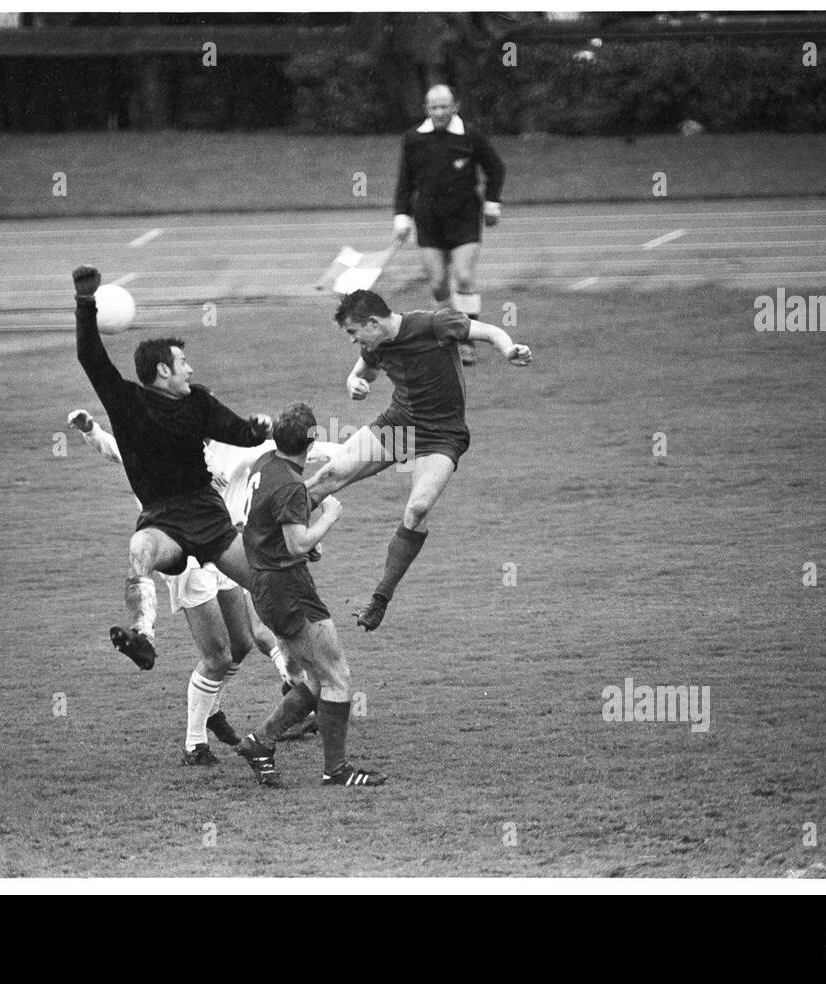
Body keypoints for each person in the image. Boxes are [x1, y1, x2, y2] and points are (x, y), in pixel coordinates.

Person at [68, 409, 336, 763]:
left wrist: (377, 448)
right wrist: (92, 430)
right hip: (185, 559)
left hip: (220, 547)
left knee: (241, 643)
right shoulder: (157, 455)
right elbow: (115, 449)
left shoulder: (233, 449)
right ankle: (195, 744)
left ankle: (218, 707)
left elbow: (298, 448)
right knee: (217, 654)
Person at [72, 265, 272, 675]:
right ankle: (143, 635)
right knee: (139, 550)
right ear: (163, 370)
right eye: (184, 363)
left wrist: (256, 430)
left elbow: (235, 431)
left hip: (207, 514)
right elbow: (90, 356)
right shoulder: (126, 402)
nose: (191, 370)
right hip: (163, 520)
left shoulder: (197, 402)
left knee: (268, 584)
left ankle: (304, 658)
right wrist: (85, 303)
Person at [305, 289, 532, 632]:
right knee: (329, 475)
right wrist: (354, 381)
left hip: (442, 434)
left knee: (418, 509)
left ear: (373, 322)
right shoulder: (374, 343)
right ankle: (280, 538)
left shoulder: (436, 323)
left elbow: (488, 332)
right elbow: (361, 371)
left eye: (353, 332)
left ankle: (380, 597)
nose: (354, 341)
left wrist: (509, 349)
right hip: (399, 425)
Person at [236, 402, 387, 788]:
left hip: (268, 585)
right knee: (338, 676)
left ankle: (261, 742)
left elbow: (264, 523)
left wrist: (301, 543)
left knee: (320, 677)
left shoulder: (264, 464)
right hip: (288, 590)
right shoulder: (289, 484)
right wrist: (328, 518)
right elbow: (297, 542)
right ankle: (335, 771)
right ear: (312, 441)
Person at [392, 84, 505, 367]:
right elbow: (405, 180)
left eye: (445, 106)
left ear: (456, 106)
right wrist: (401, 216)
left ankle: (466, 341)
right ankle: (447, 333)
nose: (439, 112)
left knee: (464, 277)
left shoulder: (470, 135)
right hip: (429, 219)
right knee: (439, 284)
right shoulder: (413, 138)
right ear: (426, 109)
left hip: (464, 217)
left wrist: (492, 202)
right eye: (434, 107)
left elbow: (495, 167)